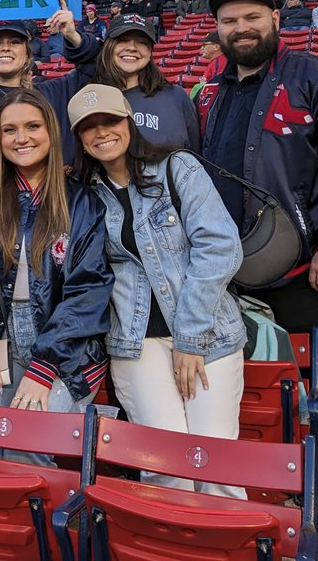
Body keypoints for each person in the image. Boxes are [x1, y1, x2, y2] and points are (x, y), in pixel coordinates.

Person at [197, 0, 318, 559]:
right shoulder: (210, 93)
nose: (242, 28)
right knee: (238, 388)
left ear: (276, 18)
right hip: (227, 275)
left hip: (304, 271)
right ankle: (258, 497)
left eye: (252, 17)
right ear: (220, 31)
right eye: (230, 21)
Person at [70, 84, 247, 497]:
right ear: (79, 137)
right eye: (88, 127)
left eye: (110, 121)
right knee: (165, 467)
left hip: (209, 334)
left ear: (129, 121)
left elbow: (220, 246)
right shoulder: (84, 194)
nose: (102, 133)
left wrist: (190, 335)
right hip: (136, 343)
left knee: (214, 465)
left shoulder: (176, 167)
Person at [0, 89, 112, 445]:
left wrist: (46, 367)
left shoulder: (81, 201)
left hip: (64, 348)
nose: (22, 138)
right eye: (10, 129)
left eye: (33, 126)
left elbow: (88, 291)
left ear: (52, 131)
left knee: (27, 446)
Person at [0, 0, 97, 162]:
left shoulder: (56, 91)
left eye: (14, 42)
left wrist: (72, 35)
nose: (5, 47)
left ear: (28, 55)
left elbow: (95, 68)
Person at [89, 14, 200, 151]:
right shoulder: (91, 97)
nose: (132, 47)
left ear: (150, 52)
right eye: (123, 40)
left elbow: (196, 155)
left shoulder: (176, 97)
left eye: (142, 42)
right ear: (108, 46)